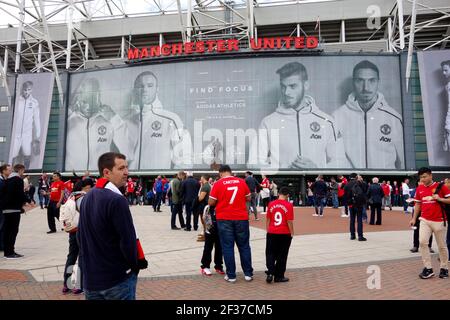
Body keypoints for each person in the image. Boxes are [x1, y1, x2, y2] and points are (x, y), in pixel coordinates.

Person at [248, 61, 345, 170]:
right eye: (283, 87)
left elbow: (341, 161)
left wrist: (317, 168)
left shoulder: (327, 122)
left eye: (292, 86)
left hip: (316, 185)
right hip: (283, 186)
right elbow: (253, 162)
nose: (286, 92)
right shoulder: (268, 122)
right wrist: (283, 170)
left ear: (306, 85)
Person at [78, 152, 148, 300]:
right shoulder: (117, 200)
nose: (126, 172)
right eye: (121, 168)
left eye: (127, 167)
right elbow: (127, 240)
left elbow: (80, 237)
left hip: (92, 280)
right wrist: (133, 267)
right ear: (106, 172)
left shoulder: (87, 197)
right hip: (117, 280)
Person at [332, 60, 404, 169]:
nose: (366, 87)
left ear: (378, 82)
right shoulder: (337, 117)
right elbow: (334, 158)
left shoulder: (394, 118)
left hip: (384, 183)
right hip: (352, 183)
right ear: (353, 82)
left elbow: (403, 162)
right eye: (360, 80)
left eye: (372, 80)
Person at [124, 71, 191, 170]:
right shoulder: (125, 122)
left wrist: (173, 181)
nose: (145, 90)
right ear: (135, 90)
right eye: (140, 86)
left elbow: (185, 158)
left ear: (157, 89)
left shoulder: (171, 119)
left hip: (158, 180)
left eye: (150, 86)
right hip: (129, 181)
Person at [65, 78, 129, 170]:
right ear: (78, 98)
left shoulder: (108, 120)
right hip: (72, 175)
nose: (88, 106)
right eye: (84, 102)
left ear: (98, 96)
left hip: (101, 176)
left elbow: (127, 150)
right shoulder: (69, 120)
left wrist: (114, 118)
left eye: (92, 100)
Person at [208, 165, 253, 283]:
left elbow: (211, 202)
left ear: (221, 173)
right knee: (244, 246)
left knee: (228, 247)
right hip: (241, 218)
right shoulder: (241, 182)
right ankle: (248, 274)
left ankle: (231, 275)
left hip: (224, 218)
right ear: (230, 172)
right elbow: (248, 197)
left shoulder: (218, 183)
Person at [409, 167, 450, 279]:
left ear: (431, 175)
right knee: (422, 242)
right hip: (425, 220)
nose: (423, 179)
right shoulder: (420, 188)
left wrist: (440, 199)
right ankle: (428, 268)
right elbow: (418, 204)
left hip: (440, 221)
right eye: (421, 177)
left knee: (442, 246)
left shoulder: (441, 187)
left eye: (425, 176)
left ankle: (444, 268)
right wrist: (414, 218)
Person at [62, 178, 94, 295]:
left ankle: (67, 284)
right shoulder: (83, 197)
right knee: (82, 257)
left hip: (72, 230)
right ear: (86, 187)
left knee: (71, 256)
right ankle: (79, 286)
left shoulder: (71, 196)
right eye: (91, 187)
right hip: (81, 231)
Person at [265, 186, 294, 283]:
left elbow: (268, 219)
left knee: (270, 253)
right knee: (282, 255)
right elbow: (289, 221)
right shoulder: (288, 205)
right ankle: (279, 276)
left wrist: (268, 229)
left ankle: (270, 272)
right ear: (287, 195)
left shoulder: (271, 204)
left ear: (279, 194)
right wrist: (292, 232)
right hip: (284, 232)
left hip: (272, 231)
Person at [9, 81, 41, 169]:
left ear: (32, 90)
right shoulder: (17, 101)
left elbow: (37, 119)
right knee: (13, 154)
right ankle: (10, 172)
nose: (26, 92)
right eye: (25, 90)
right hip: (16, 133)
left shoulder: (34, 102)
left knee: (27, 153)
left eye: (29, 90)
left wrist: (38, 135)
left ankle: (26, 172)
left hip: (27, 134)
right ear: (22, 90)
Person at [2, 164, 27, 259]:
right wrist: (28, 200)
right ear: (20, 170)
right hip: (14, 209)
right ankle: (10, 253)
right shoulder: (18, 180)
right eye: (23, 171)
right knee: (13, 231)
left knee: (7, 231)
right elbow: (20, 194)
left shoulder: (6, 180)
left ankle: (7, 252)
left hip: (5, 209)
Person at [344, 173, 368, 241]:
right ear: (356, 177)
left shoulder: (347, 185)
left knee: (352, 220)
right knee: (359, 220)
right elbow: (364, 191)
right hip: (359, 204)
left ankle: (352, 235)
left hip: (351, 204)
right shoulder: (359, 183)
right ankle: (360, 236)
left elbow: (345, 196)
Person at [0, 164, 12, 252]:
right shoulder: (1, 181)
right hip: (1, 207)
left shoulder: (5, 180)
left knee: (4, 226)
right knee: (2, 226)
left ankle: (2, 244)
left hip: (5, 207)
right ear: (3, 171)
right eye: (9, 170)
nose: (10, 171)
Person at [441, 60, 450, 152]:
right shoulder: (447, 86)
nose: (443, 73)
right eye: (442, 70)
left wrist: (447, 125)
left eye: (446, 70)